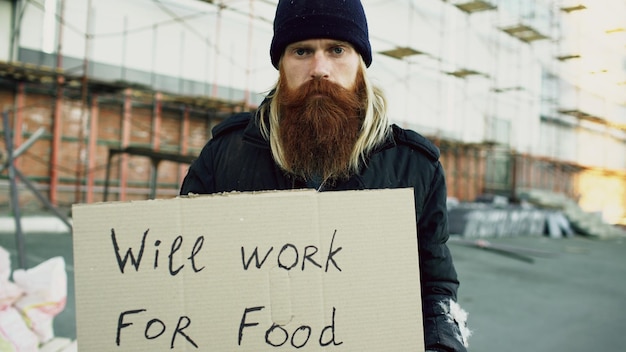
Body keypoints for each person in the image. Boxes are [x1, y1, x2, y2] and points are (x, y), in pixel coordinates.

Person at [180, 0, 470, 350]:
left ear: (360, 63)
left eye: (336, 49)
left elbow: (435, 287)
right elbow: (187, 272)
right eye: (301, 51)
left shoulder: (415, 167)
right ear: (281, 66)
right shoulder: (225, 155)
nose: (319, 68)